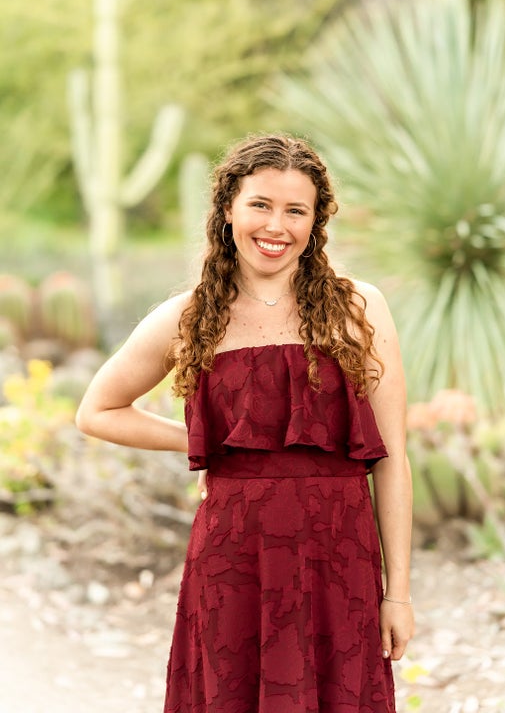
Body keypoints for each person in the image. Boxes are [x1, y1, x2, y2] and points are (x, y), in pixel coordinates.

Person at [76, 133, 414, 713]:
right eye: (260, 204)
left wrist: (398, 594)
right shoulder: (189, 316)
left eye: (295, 210)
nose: (276, 226)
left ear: (315, 221)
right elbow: (97, 411)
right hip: (233, 561)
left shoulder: (360, 308)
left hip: (341, 558)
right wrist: (199, 442)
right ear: (228, 208)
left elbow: (392, 458)